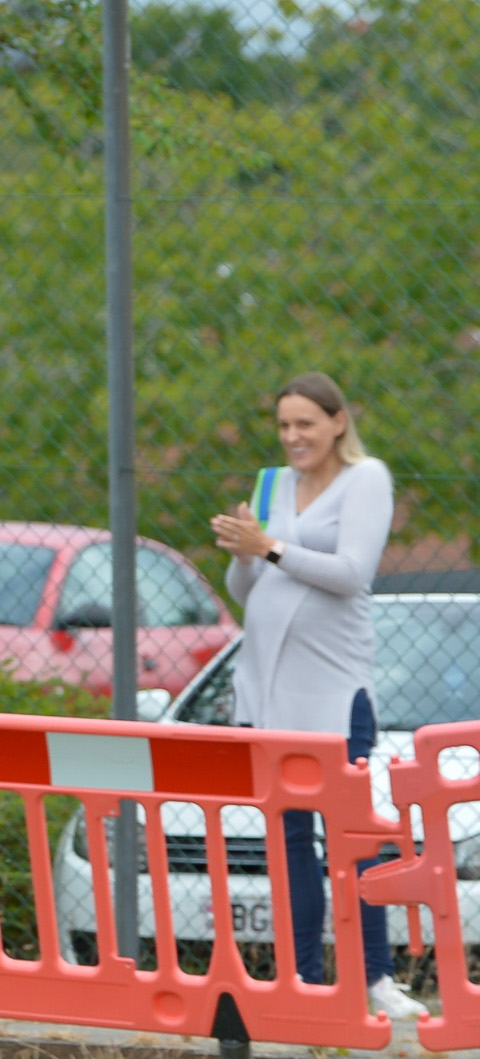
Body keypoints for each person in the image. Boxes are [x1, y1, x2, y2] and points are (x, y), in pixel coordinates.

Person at [209, 372, 424, 1019]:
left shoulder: (367, 479)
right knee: (289, 840)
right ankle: (303, 978)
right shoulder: (273, 483)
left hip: (333, 689)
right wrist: (245, 553)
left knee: (352, 835)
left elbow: (351, 572)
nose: (294, 436)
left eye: (306, 423)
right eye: (284, 425)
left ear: (337, 422)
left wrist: (269, 546)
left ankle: (376, 978)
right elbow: (247, 590)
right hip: (267, 694)